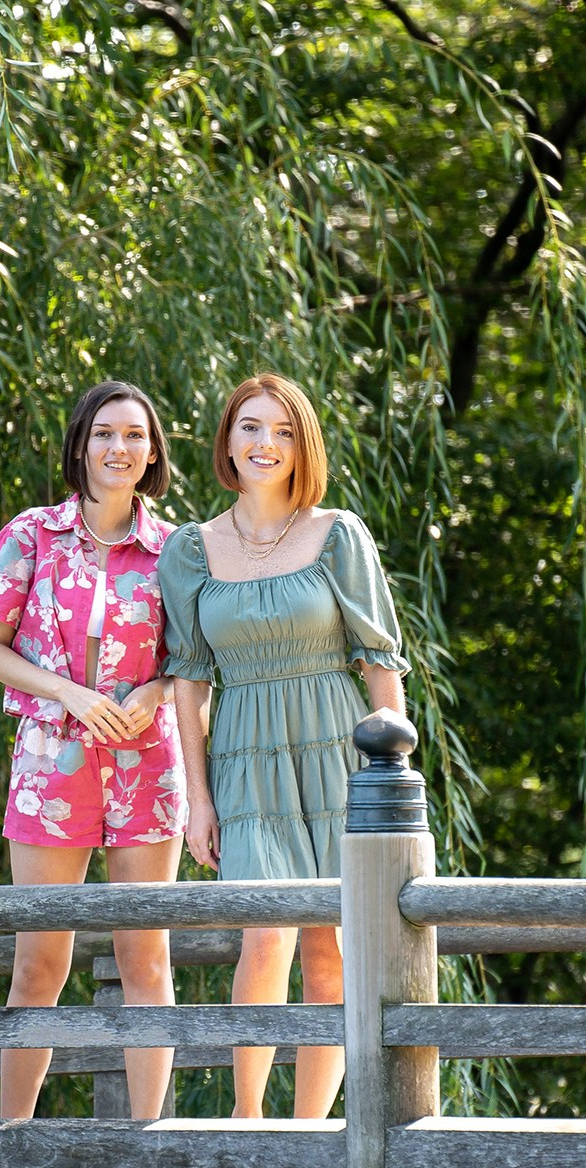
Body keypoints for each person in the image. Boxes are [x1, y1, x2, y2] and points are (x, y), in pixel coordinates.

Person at [157, 372, 408, 1118]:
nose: (265, 444)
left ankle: (312, 1132)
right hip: (244, 762)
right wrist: (197, 801)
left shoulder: (337, 534)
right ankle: (249, 1121)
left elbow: (379, 661)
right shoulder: (190, 551)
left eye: (283, 431)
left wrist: (393, 790)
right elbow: (189, 684)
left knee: (333, 946)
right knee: (264, 938)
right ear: (227, 441)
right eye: (250, 428)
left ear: (303, 448)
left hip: (338, 754)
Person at [0, 380, 185, 1120]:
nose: (117, 448)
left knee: (145, 958)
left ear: (152, 452)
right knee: (40, 962)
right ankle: (11, 1149)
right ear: (81, 444)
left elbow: (189, 663)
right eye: (103, 433)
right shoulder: (30, 535)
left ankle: (146, 1151)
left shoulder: (175, 550)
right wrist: (68, 693)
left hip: (146, 763)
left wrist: (152, 696)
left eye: (133, 435)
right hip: (49, 764)